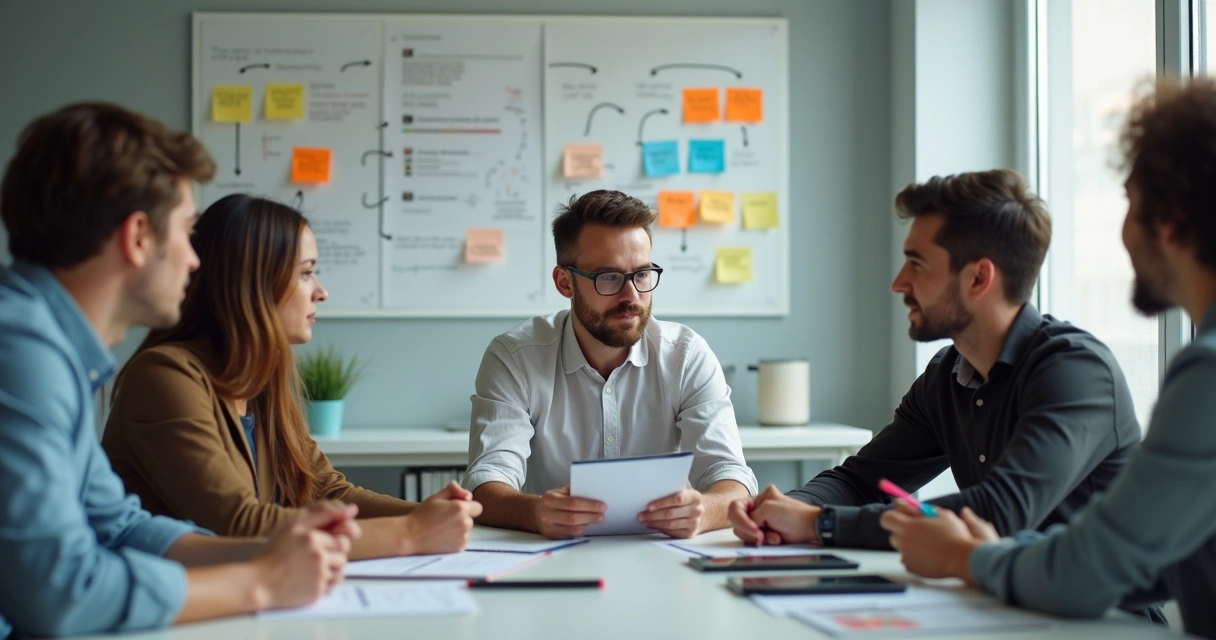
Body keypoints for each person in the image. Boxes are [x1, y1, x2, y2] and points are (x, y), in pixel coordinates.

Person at [0, 102, 358, 637]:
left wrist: (272, 551)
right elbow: (62, 593)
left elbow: (119, 525)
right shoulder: (20, 351)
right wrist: (260, 581)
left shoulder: (53, 346)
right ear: (139, 236)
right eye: (187, 232)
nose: (195, 261)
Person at [880, 77, 1216, 639]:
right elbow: (1146, 559)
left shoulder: (1201, 374)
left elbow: (1095, 568)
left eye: (1129, 203)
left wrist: (967, 558)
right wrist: (998, 556)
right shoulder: (946, 376)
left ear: (1172, 221)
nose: (1122, 234)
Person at [729, 169, 1140, 551]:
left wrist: (821, 523)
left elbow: (1002, 511)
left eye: (917, 263)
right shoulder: (948, 375)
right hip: (996, 605)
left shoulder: (1076, 372)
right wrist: (782, 509)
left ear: (978, 278)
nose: (898, 283)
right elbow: (861, 481)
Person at [103, 193, 482, 559]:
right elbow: (238, 524)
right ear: (251, 284)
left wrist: (423, 513)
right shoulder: (164, 377)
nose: (321, 292)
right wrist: (410, 533)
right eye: (306, 273)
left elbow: (323, 489)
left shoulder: (260, 382)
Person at [463, 190, 757, 540]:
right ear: (565, 282)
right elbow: (486, 482)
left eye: (643, 274)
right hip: (554, 556)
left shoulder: (686, 355)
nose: (631, 295)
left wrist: (704, 511)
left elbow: (731, 476)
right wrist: (536, 511)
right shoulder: (515, 358)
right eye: (609, 277)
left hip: (665, 558)